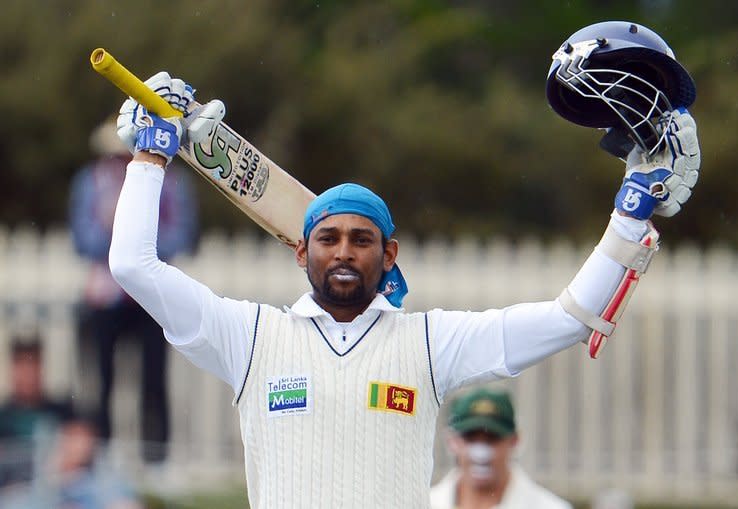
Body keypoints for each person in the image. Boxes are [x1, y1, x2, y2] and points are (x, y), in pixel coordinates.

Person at [106, 21, 700, 508]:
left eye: (361, 240)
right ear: (300, 251)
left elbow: (568, 319)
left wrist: (629, 217)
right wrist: (148, 160)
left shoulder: (429, 344)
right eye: (328, 238)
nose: (343, 252)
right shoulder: (250, 338)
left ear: (388, 254)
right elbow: (132, 266)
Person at [69, 117, 199, 463]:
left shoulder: (171, 184)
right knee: (102, 383)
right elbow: (81, 238)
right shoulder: (90, 183)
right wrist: (116, 239)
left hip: (150, 298)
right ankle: (100, 460)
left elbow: (182, 234)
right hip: (104, 299)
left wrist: (139, 242)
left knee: (154, 382)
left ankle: (156, 460)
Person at [430, 387, 571, 509]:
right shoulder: (423, 504)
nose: (481, 453)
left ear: (514, 441)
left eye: (492, 438)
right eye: (470, 438)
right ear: (452, 442)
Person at [0, 410, 145, 509]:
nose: (78, 447)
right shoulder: (41, 479)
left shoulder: (103, 482)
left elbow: (125, 503)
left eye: (84, 439)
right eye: (72, 438)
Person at [0, 335, 73, 490]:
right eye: (22, 366)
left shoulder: (61, 410)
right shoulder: (4, 416)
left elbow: (82, 439)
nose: (28, 375)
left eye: (33, 366)